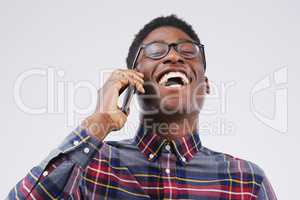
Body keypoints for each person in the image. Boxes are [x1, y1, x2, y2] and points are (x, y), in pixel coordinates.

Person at [7, 15, 277, 200]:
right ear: (133, 80)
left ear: (204, 84)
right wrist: (98, 122)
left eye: (188, 51)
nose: (173, 56)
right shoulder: (88, 166)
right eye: (156, 51)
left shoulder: (247, 181)